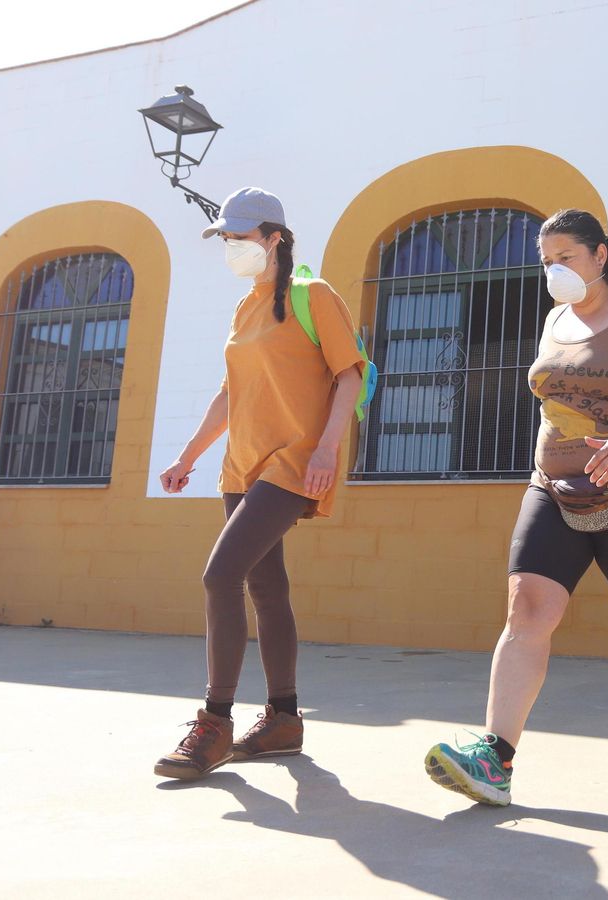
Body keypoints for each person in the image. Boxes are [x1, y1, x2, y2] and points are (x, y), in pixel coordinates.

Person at [425, 209, 608, 807]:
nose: (554, 270)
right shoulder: (553, 320)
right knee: (527, 608)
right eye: (546, 261)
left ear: (600, 256)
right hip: (552, 486)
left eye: (565, 257)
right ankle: (495, 758)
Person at [153, 187, 368, 779]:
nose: (231, 248)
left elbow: (349, 374)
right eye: (225, 239)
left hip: (294, 459)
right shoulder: (245, 307)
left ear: (274, 238)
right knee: (266, 589)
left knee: (220, 575)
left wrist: (326, 448)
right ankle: (284, 719)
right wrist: (188, 455)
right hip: (240, 466)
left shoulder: (312, 295)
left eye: (240, 238)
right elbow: (231, 393)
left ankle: (214, 723)